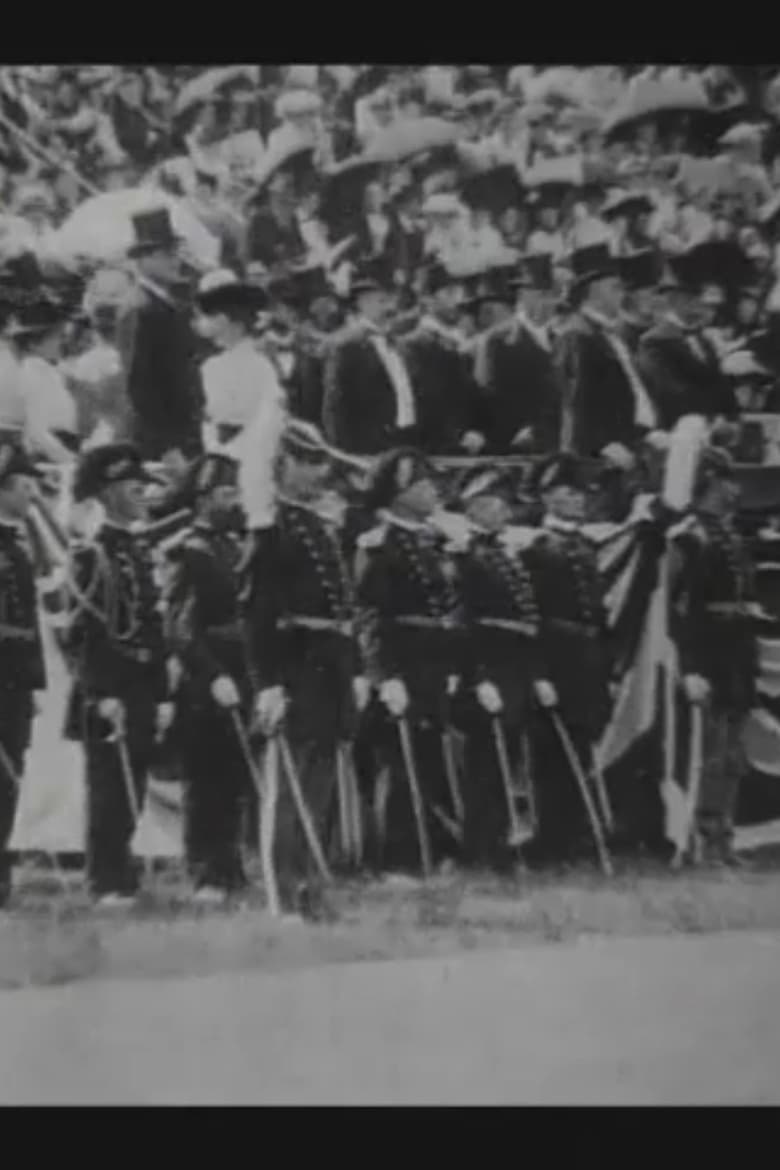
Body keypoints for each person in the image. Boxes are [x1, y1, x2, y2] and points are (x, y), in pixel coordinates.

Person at [243, 421, 368, 912]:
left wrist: (354, 667)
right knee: (287, 784)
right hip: (295, 666)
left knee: (318, 786)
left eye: (320, 462)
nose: (319, 472)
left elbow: (343, 608)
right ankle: (283, 896)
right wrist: (267, 683)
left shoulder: (317, 525)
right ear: (282, 464)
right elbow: (255, 613)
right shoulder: (270, 527)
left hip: (328, 665)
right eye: (308, 462)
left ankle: (310, 887)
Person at [63, 443, 173, 907]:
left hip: (143, 681)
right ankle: (104, 879)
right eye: (133, 488)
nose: (144, 495)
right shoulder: (92, 554)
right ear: (107, 494)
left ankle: (123, 872)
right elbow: (81, 634)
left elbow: (154, 626)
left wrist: (163, 691)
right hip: (108, 686)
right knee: (109, 785)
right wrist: (101, 693)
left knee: (137, 779)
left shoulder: (140, 549)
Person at [356, 448, 463, 879]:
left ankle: (433, 850)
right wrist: (384, 675)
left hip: (432, 661)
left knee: (429, 756)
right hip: (401, 660)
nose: (431, 491)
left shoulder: (428, 541)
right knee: (398, 764)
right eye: (420, 485)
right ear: (397, 495)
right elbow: (369, 615)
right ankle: (397, 860)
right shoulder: (378, 544)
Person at [455, 466, 557, 871]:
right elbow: (463, 622)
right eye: (492, 503)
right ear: (473, 509)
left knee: (511, 756)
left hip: (516, 664)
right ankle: (482, 847)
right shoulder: (464, 556)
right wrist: (478, 677)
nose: (502, 511)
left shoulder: (506, 555)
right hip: (489, 664)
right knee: (486, 761)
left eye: (503, 503)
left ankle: (506, 842)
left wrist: (538, 673)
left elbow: (527, 621)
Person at [164, 451, 251, 903]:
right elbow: (180, 627)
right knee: (205, 780)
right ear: (201, 499)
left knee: (234, 777)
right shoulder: (188, 550)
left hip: (240, 671)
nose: (233, 500)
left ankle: (230, 866)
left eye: (235, 491)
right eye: (224, 493)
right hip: (206, 677)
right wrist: (212, 673)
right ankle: (204, 872)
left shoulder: (233, 545)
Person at [522, 454, 614, 867]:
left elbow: (599, 612)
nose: (578, 501)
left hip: (588, 658)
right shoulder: (535, 550)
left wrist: (607, 664)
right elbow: (531, 616)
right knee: (552, 753)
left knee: (582, 744)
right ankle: (551, 839)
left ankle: (580, 834)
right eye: (568, 493)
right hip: (556, 657)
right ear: (546, 498)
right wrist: (539, 671)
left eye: (582, 494)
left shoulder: (588, 546)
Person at [670, 446, 758, 867]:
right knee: (709, 749)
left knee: (732, 751)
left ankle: (724, 833)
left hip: (738, 651)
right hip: (708, 652)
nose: (734, 490)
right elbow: (679, 608)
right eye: (726, 480)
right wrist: (690, 668)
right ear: (708, 483)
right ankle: (701, 837)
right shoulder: (690, 537)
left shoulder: (730, 535)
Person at [555, 242, 659, 462]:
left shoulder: (606, 334)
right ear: (594, 292)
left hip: (629, 443)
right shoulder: (579, 335)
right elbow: (577, 402)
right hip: (601, 456)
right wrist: (601, 445)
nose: (621, 295)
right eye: (615, 287)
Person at [115, 208, 204, 461]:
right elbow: (139, 387)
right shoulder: (138, 307)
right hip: (160, 445)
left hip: (184, 434)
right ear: (143, 260)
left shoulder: (167, 303)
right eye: (166, 254)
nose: (175, 261)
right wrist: (166, 447)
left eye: (175, 253)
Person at [0, 441, 46, 907]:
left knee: (10, 779)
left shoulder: (17, 543)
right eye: (27, 487)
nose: (33, 496)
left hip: (14, 683)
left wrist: (33, 680)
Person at [323, 261, 420, 454]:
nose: (389, 307)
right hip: (368, 443)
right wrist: (343, 453)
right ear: (362, 303)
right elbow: (336, 406)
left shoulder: (396, 342)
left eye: (389, 300)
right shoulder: (346, 345)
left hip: (405, 436)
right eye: (381, 301)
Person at [638, 246, 739, 431]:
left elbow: (722, 385)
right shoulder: (653, 342)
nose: (700, 303)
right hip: (677, 432)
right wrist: (713, 417)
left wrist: (731, 418)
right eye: (692, 297)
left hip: (715, 430)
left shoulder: (704, 340)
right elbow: (671, 394)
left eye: (700, 297)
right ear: (674, 300)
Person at [474, 252, 562, 454]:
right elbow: (489, 401)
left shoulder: (561, 340)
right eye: (539, 295)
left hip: (555, 447)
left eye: (550, 295)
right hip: (515, 449)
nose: (546, 302)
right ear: (521, 296)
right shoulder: (498, 341)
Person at [400, 262, 486, 455]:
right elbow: (425, 405)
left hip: (470, 448)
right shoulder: (413, 346)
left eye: (458, 293)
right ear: (427, 301)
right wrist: (457, 436)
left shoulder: (462, 342)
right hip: (435, 452)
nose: (457, 300)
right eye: (448, 293)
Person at [194, 269, 286, 449]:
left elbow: (267, 416)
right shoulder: (214, 364)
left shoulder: (256, 364)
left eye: (214, 317)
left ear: (232, 322)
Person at [8, 296, 78, 463]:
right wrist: (71, 460)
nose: (64, 341)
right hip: (48, 458)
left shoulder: (52, 369)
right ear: (34, 343)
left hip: (63, 447)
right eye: (58, 336)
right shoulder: (32, 374)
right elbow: (38, 432)